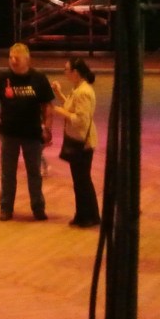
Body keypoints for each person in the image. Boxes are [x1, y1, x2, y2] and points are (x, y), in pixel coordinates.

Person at [0, 43, 55, 222]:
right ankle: (6, 208)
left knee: (34, 173)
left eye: (17, 58)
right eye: (10, 57)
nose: (13, 61)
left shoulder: (38, 78)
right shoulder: (2, 78)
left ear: (27, 59)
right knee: (8, 173)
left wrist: (47, 128)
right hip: (9, 134)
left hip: (32, 134)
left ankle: (38, 208)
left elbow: (48, 105)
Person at [51, 58, 101, 228]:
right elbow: (71, 107)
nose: (65, 72)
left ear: (75, 72)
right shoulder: (78, 89)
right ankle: (86, 215)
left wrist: (59, 112)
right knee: (81, 180)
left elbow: (81, 120)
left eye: (66, 69)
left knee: (82, 181)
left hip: (83, 142)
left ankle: (87, 216)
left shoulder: (83, 92)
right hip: (80, 140)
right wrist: (59, 94)